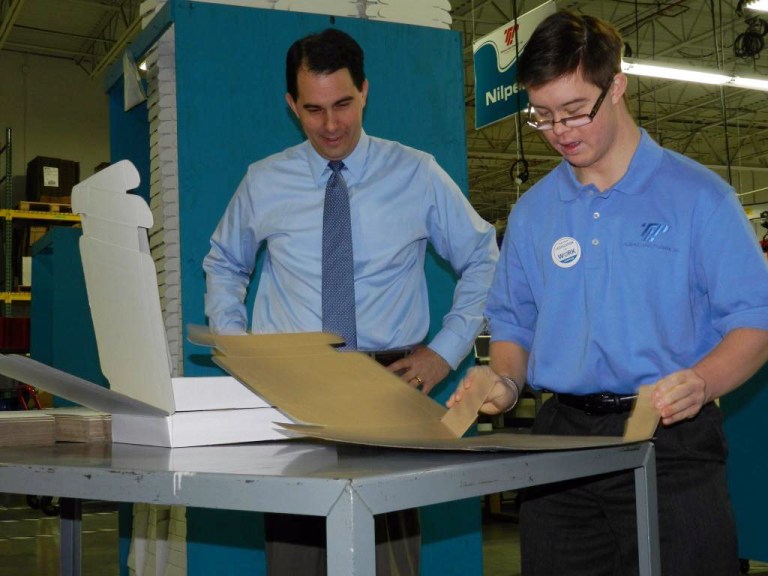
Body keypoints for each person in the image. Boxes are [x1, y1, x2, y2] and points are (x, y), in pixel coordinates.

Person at [448, 9, 768, 576]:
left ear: (616, 86)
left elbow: (756, 321)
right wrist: (501, 382)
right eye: (542, 117)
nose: (561, 132)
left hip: (671, 438)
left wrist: (702, 382)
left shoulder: (699, 199)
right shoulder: (533, 213)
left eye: (574, 112)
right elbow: (515, 323)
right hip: (560, 446)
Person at [203, 28, 498, 576]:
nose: (331, 125)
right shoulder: (264, 181)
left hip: (389, 391)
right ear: (292, 105)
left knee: (389, 560)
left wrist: (445, 352)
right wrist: (242, 350)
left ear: (365, 91)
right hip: (293, 392)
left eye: (343, 104)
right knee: (295, 559)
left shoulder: (417, 173)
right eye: (313, 110)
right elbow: (224, 263)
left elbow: (485, 258)